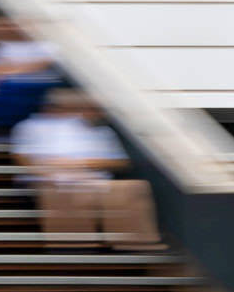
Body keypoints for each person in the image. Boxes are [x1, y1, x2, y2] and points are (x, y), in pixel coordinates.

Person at [11, 90, 162, 250]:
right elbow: (23, 159)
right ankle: (74, 248)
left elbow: (121, 162)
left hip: (93, 180)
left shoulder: (101, 131)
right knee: (68, 190)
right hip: (51, 179)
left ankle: (135, 245)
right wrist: (52, 171)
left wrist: (81, 163)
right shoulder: (30, 127)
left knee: (133, 187)